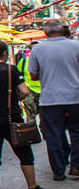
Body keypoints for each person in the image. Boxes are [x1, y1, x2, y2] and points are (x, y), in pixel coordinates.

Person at [0, 39, 53, 189]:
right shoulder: (11, 70)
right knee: (24, 154)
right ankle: (32, 188)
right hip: (10, 118)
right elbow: (25, 91)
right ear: (5, 53)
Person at [26, 20, 79, 180]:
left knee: (53, 135)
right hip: (75, 96)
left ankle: (58, 170)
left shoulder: (38, 49)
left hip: (50, 98)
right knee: (77, 132)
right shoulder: (76, 46)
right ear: (62, 31)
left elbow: (33, 74)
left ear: (45, 33)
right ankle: (76, 166)